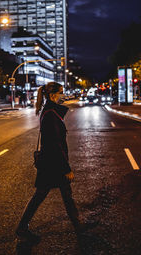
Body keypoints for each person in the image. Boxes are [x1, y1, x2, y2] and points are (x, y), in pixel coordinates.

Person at [16, 82, 93, 243]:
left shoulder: (51, 111)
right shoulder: (51, 113)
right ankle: (22, 228)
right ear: (53, 95)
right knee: (41, 195)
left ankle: (78, 226)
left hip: (50, 161)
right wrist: (66, 168)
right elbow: (55, 143)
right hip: (52, 164)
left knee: (65, 194)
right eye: (61, 93)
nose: (63, 95)